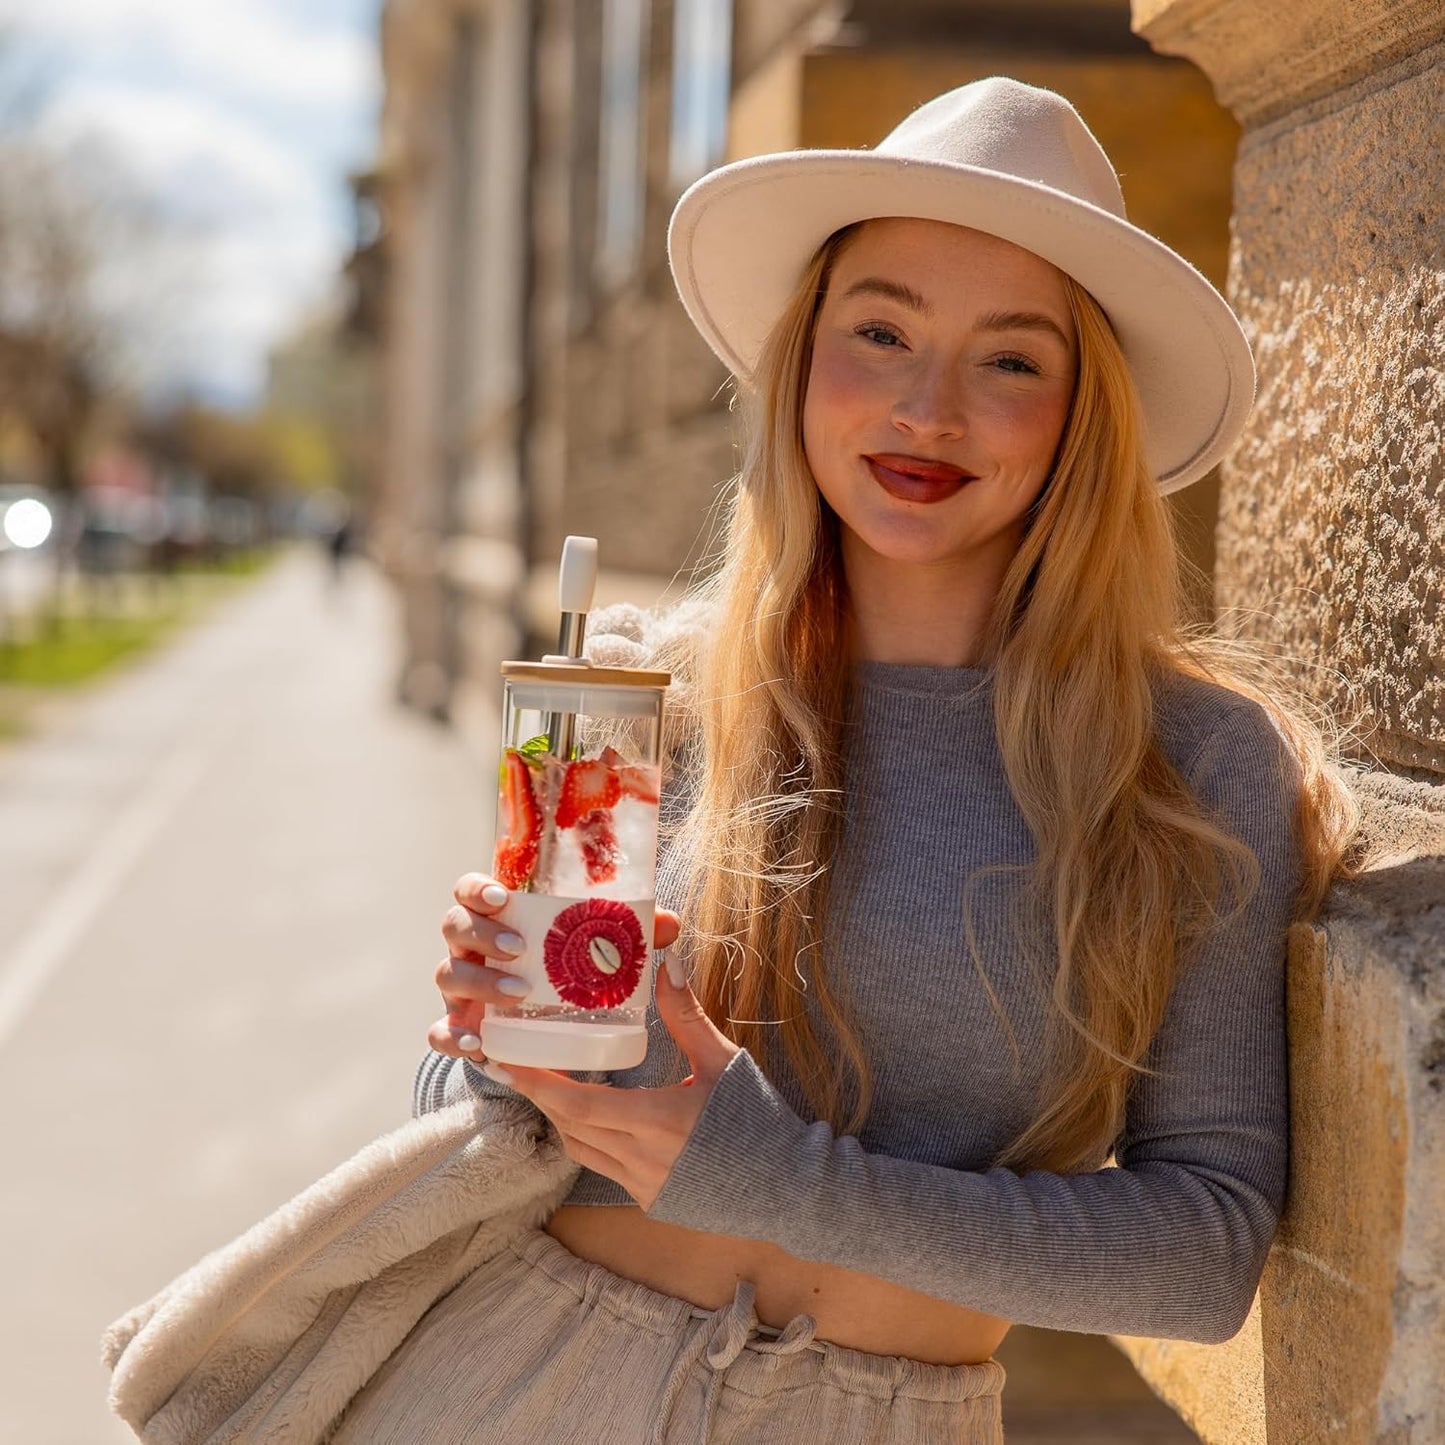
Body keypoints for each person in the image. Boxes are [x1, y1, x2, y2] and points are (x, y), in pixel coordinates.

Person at [334, 77, 1359, 1443]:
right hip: (512, 1383)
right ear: (803, 357)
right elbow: (481, 1134)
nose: (926, 407)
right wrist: (495, 1039)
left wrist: (770, 1174)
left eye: (1009, 358)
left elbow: (1202, 1251)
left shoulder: (1184, 761)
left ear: (1079, 415)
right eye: (879, 330)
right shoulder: (649, 700)